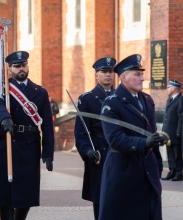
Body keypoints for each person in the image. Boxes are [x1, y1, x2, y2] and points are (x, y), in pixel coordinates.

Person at [0, 51, 54, 220]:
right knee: (5, 193)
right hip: (6, 145)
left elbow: (47, 124)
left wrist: (48, 152)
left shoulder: (40, 92)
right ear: (9, 69)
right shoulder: (2, 90)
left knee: (26, 193)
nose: (21, 69)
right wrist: (4, 118)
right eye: (17, 66)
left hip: (29, 147)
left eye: (23, 65)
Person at [99, 54, 163, 220]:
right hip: (124, 171)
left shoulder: (147, 100)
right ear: (123, 77)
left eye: (141, 74)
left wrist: (158, 164)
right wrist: (143, 143)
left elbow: (152, 133)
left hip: (148, 170)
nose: (142, 78)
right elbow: (115, 138)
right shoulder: (112, 103)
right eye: (137, 74)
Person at [74, 57, 116, 220]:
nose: (108, 75)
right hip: (99, 150)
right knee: (100, 195)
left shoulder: (121, 97)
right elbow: (81, 131)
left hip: (118, 150)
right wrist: (87, 150)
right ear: (96, 75)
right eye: (104, 72)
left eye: (111, 72)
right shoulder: (87, 99)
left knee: (119, 192)